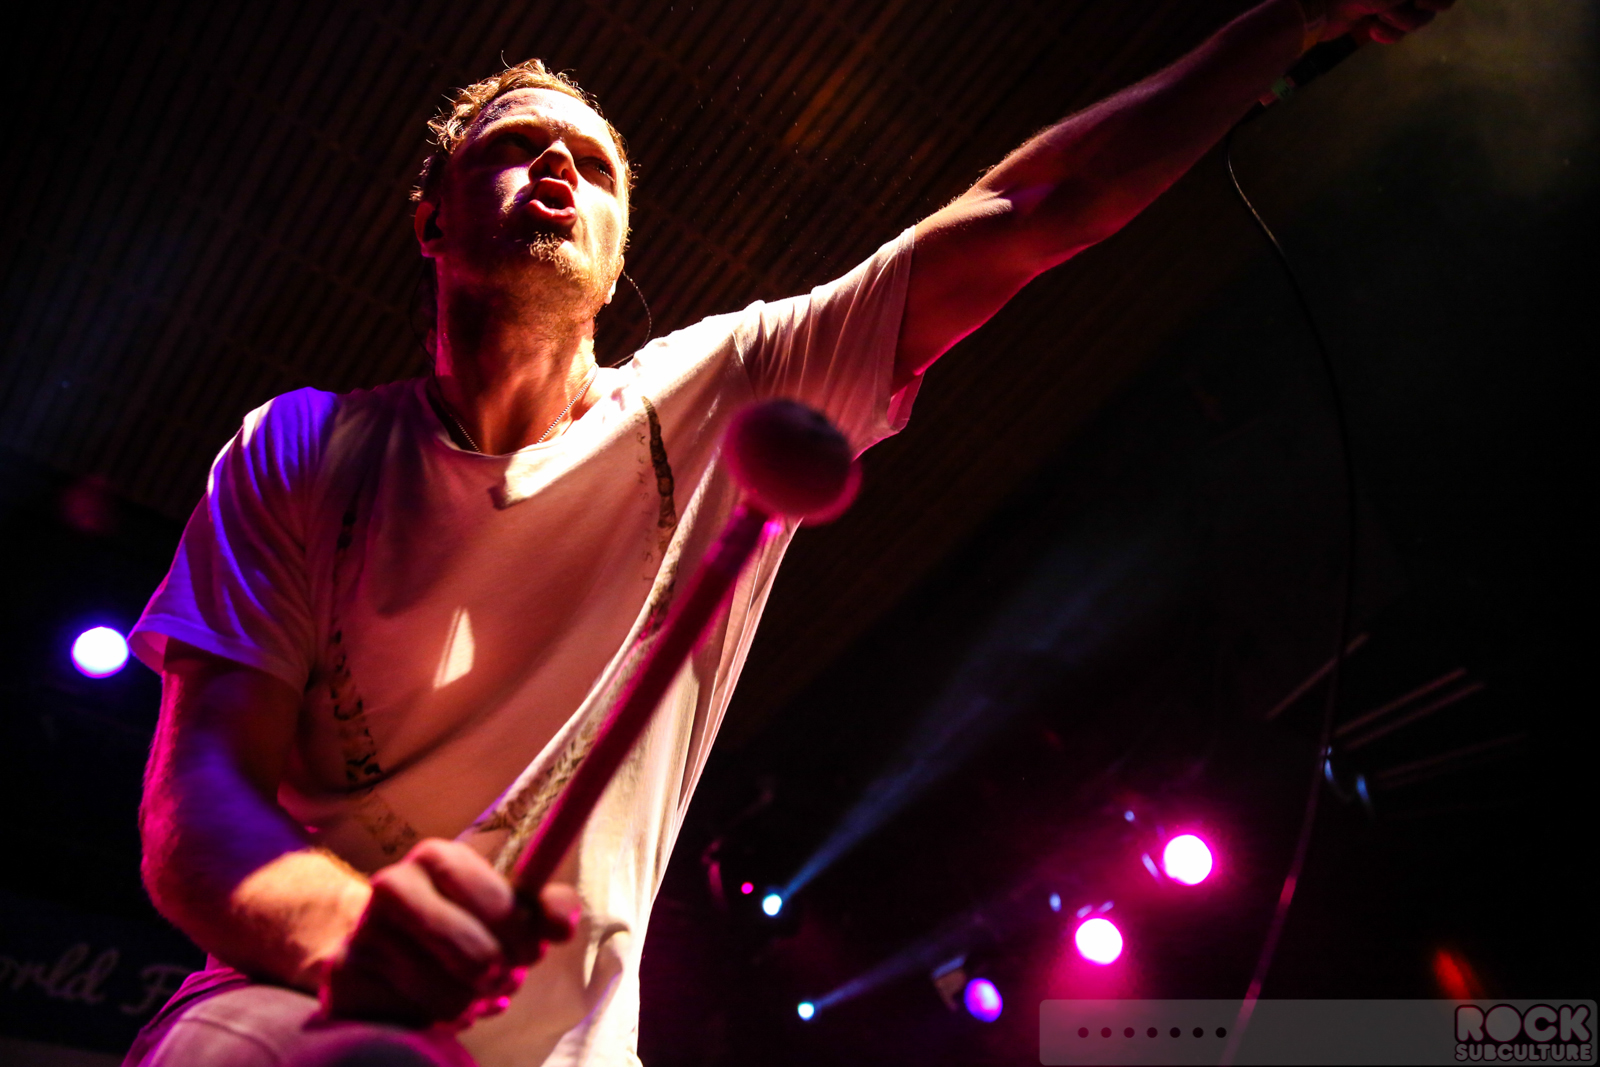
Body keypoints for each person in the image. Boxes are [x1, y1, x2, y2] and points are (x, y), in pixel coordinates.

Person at [124, 1, 1451, 1064]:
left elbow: (1033, 210)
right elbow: (196, 805)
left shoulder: (724, 389)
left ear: (619, 247)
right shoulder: (301, 446)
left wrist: (1286, 21)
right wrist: (348, 929)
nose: (559, 172)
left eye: (594, 165)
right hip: (283, 1003)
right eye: (514, 150)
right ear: (432, 217)